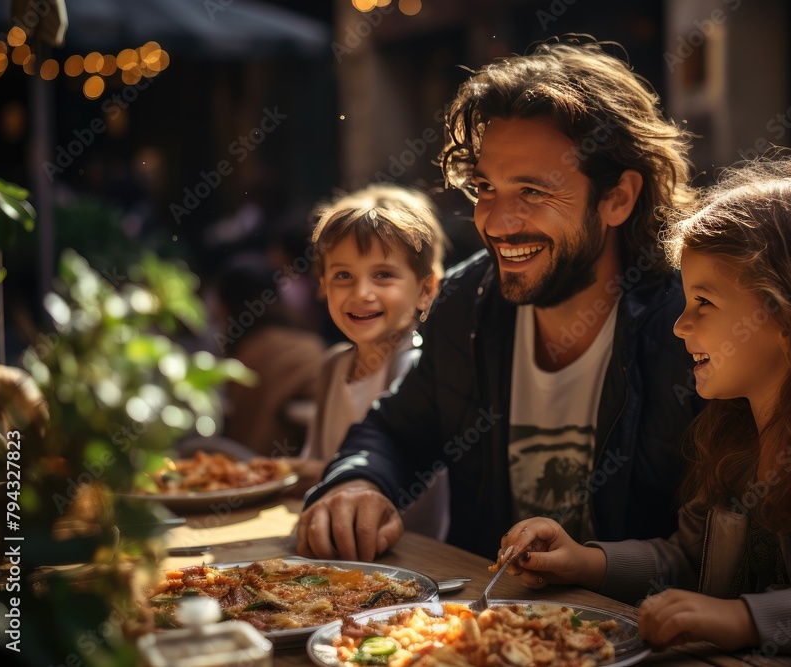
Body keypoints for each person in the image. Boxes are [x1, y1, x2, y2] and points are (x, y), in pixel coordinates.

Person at [495, 153, 791, 665]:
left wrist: (737, 618)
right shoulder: (735, 430)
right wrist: (583, 562)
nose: (680, 325)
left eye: (705, 302)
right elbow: (687, 558)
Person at [297, 35, 704, 562]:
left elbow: (720, 547)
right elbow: (395, 432)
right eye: (486, 188)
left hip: (644, 636)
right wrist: (355, 484)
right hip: (485, 631)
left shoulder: (690, 326)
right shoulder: (469, 302)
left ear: (617, 199)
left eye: (532, 192)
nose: (497, 222)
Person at [285, 184, 450, 539]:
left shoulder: (417, 367)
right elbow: (316, 461)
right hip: (340, 542)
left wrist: (310, 473)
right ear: (323, 285)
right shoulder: (333, 367)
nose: (362, 293)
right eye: (344, 276)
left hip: (412, 551)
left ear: (426, 290)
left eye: (383, 275)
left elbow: (413, 485)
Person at [213, 253, 329, 457]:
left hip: (255, 475)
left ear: (224, 308)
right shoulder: (310, 346)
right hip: (300, 474)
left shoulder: (242, 357)